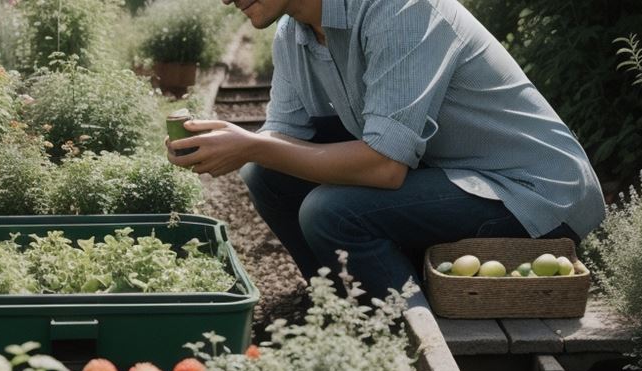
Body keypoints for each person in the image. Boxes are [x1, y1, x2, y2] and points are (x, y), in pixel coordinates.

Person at [166, 0, 606, 308]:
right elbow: (280, 139)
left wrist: (252, 144)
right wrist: (234, 145)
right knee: (267, 176)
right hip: (449, 176)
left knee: (331, 211)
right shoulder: (293, 36)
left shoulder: (400, 8)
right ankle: (344, 312)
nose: (226, 0)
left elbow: (384, 166)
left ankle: (407, 339)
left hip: (532, 192)